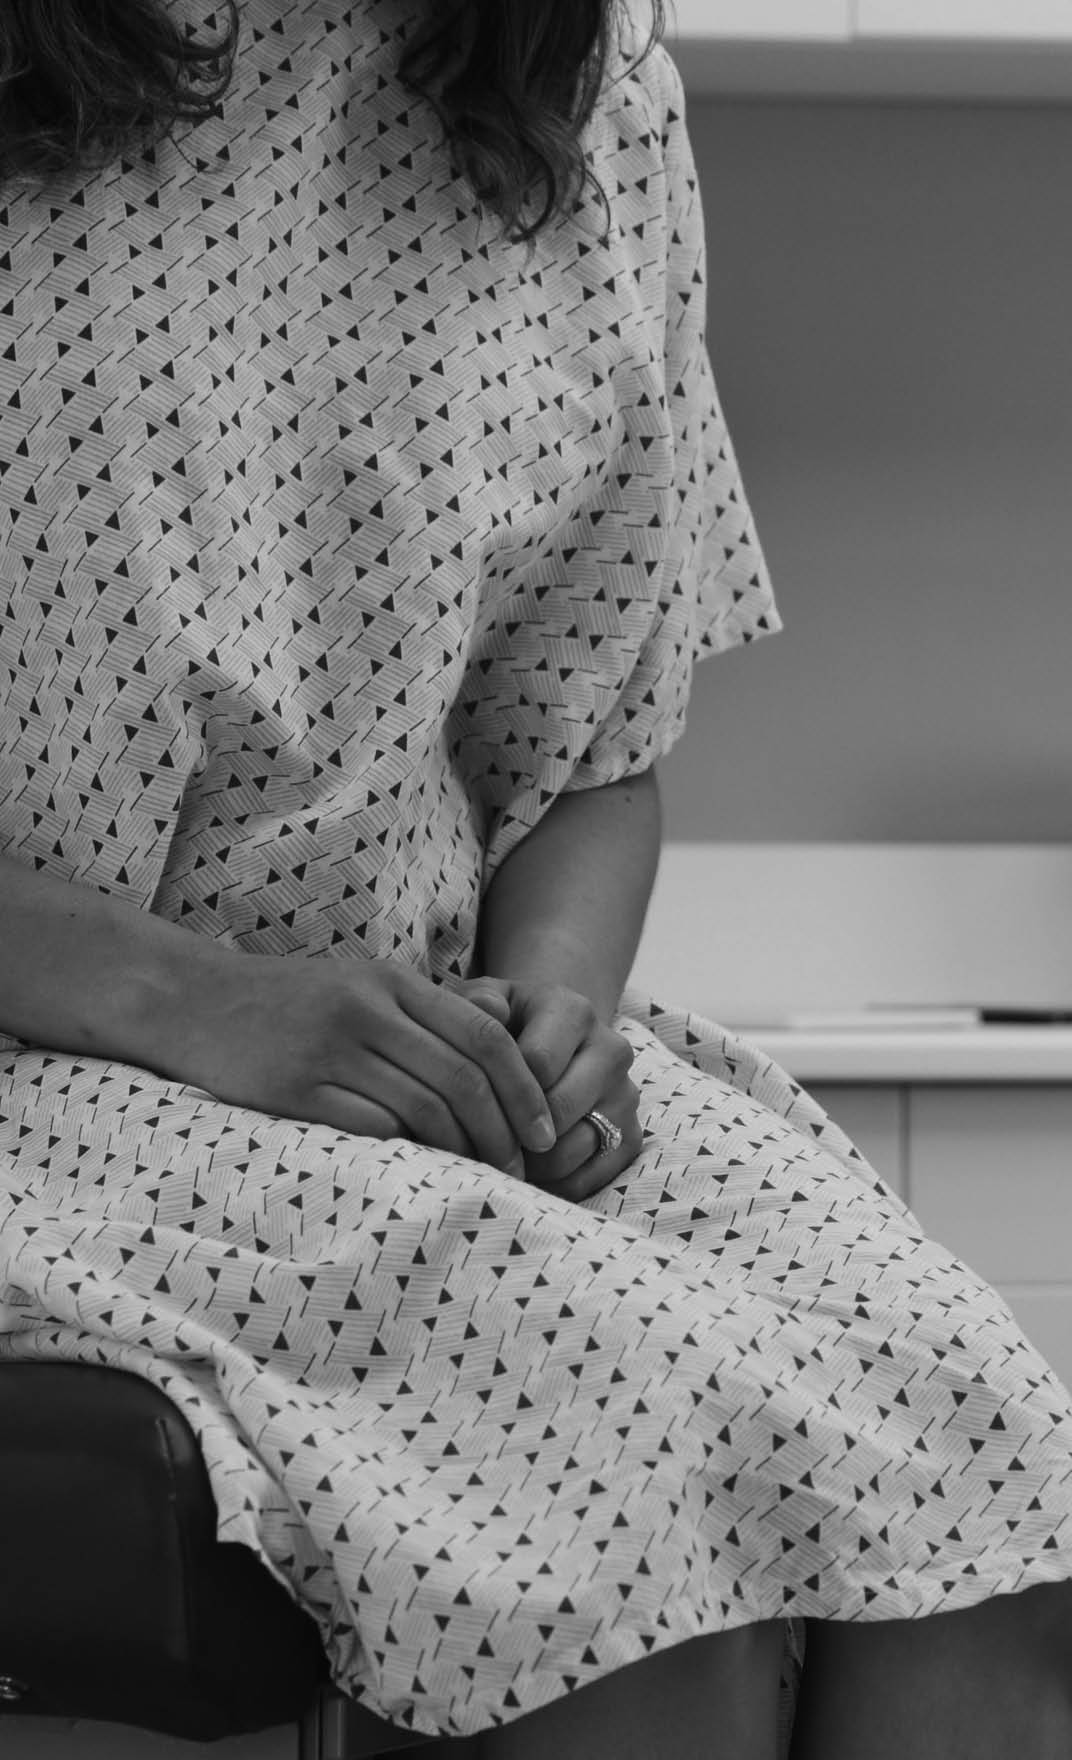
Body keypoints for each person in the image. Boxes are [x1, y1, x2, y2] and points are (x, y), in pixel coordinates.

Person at [2, 3, 1072, 1756]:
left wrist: (553, 1015)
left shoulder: (585, 100)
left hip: (416, 1069)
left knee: (989, 1466)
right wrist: (203, 1004)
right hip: (56, 1060)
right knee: (624, 1516)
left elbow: (587, 750)